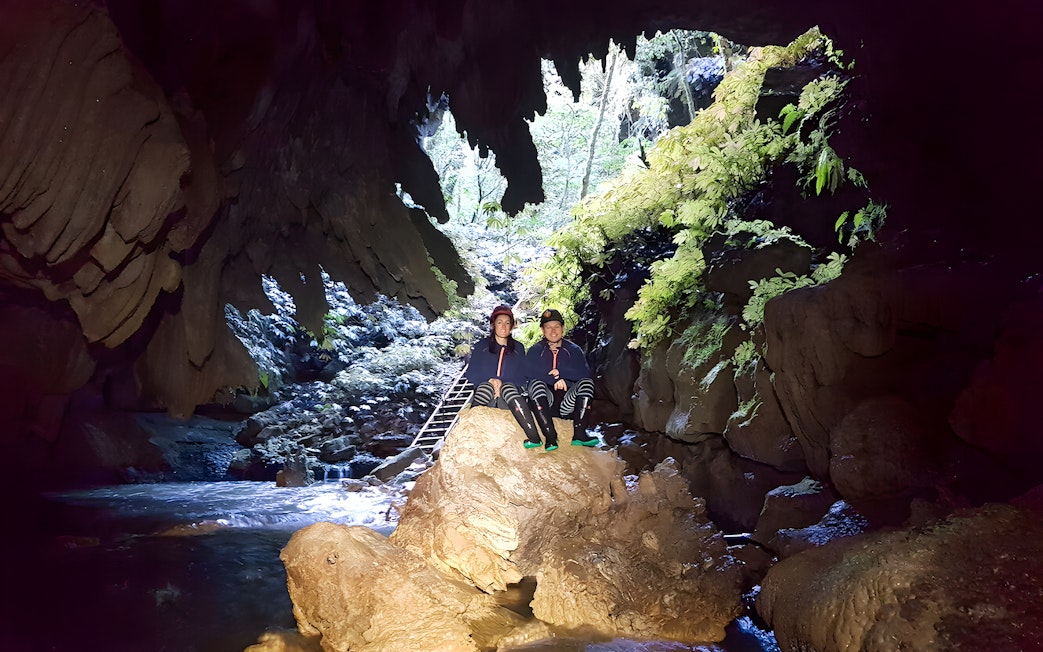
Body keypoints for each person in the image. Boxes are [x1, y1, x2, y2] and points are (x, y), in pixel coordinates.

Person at [464, 305, 548, 449]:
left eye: (507, 323)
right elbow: (471, 373)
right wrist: (491, 380)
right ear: (493, 324)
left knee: (508, 387)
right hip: (486, 397)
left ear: (512, 326)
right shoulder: (481, 346)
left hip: (508, 400)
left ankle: (534, 437)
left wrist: (502, 383)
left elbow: (523, 377)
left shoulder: (518, 348)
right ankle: (468, 433)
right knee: (486, 386)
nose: (503, 326)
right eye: (499, 322)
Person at [525, 308, 598, 447]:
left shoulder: (573, 350)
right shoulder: (535, 350)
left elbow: (585, 373)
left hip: (567, 404)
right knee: (535, 384)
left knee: (587, 383)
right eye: (548, 327)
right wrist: (553, 379)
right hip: (546, 402)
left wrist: (562, 374)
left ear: (563, 328)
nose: (553, 331)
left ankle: (580, 434)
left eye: (557, 326)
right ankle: (550, 436)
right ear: (543, 330)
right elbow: (528, 373)